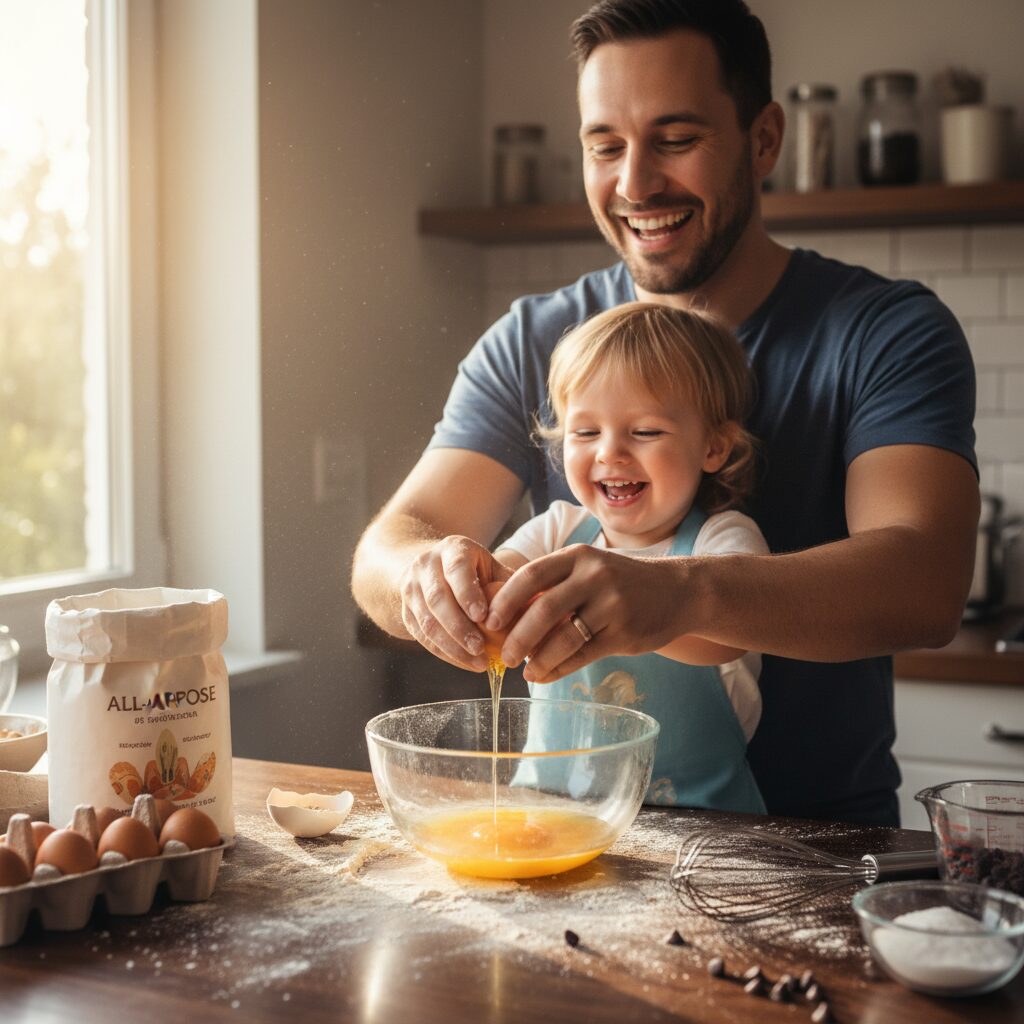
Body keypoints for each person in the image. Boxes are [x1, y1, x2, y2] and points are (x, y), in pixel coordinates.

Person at [351, 0, 979, 826]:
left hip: (814, 852)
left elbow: (924, 583)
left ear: (763, 141)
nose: (635, 183)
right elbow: (389, 549)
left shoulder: (884, 331)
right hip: (576, 843)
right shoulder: (533, 340)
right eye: (605, 145)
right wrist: (428, 580)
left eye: (676, 141)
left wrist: (677, 595)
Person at [489, 301, 768, 813]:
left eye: (644, 432)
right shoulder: (560, 529)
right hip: (550, 814)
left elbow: (727, 639)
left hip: (704, 831)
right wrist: (470, 580)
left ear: (713, 447)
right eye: (586, 432)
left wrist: (652, 610)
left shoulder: (724, 541)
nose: (609, 453)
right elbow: (498, 587)